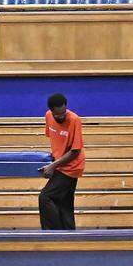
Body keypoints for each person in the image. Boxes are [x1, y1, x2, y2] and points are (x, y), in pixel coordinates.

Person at [38, 93, 85, 230]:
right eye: (58, 115)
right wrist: (52, 160)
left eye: (63, 113)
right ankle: (68, 234)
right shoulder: (48, 116)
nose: (61, 117)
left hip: (72, 167)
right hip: (59, 165)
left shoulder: (74, 120)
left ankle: (52, 233)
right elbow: (54, 138)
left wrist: (53, 166)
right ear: (51, 111)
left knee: (45, 197)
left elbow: (75, 151)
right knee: (65, 204)